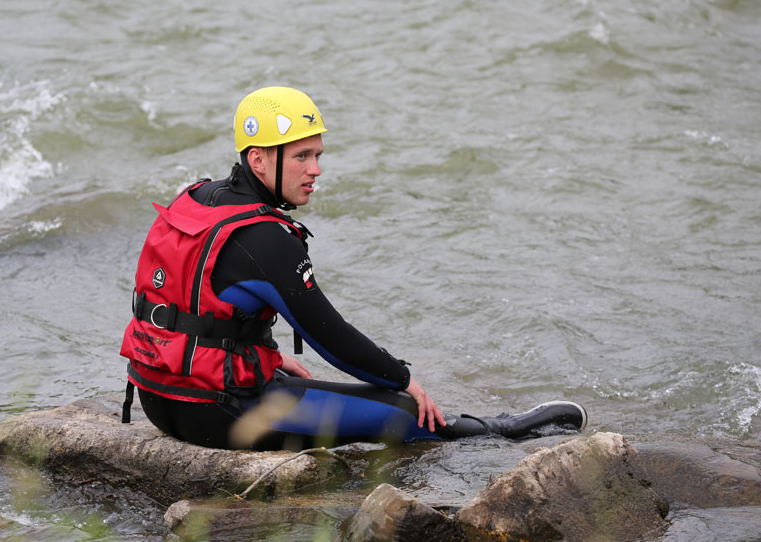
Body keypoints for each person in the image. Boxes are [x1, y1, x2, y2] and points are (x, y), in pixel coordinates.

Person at [119, 86, 586, 450]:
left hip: (157, 398)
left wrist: (259, 352)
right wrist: (404, 380)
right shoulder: (266, 239)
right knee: (403, 413)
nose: (316, 169)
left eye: (318, 155)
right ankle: (504, 433)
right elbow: (333, 340)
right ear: (258, 159)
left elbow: (195, 309)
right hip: (218, 414)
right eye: (302, 156)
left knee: (296, 380)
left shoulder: (196, 198)